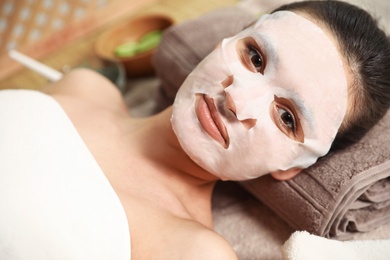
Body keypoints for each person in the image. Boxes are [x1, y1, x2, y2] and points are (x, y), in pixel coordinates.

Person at [0, 0, 389, 259]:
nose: (238, 100)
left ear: (291, 168)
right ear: (225, 42)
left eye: (287, 117)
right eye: (254, 56)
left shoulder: (193, 251)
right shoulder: (88, 85)